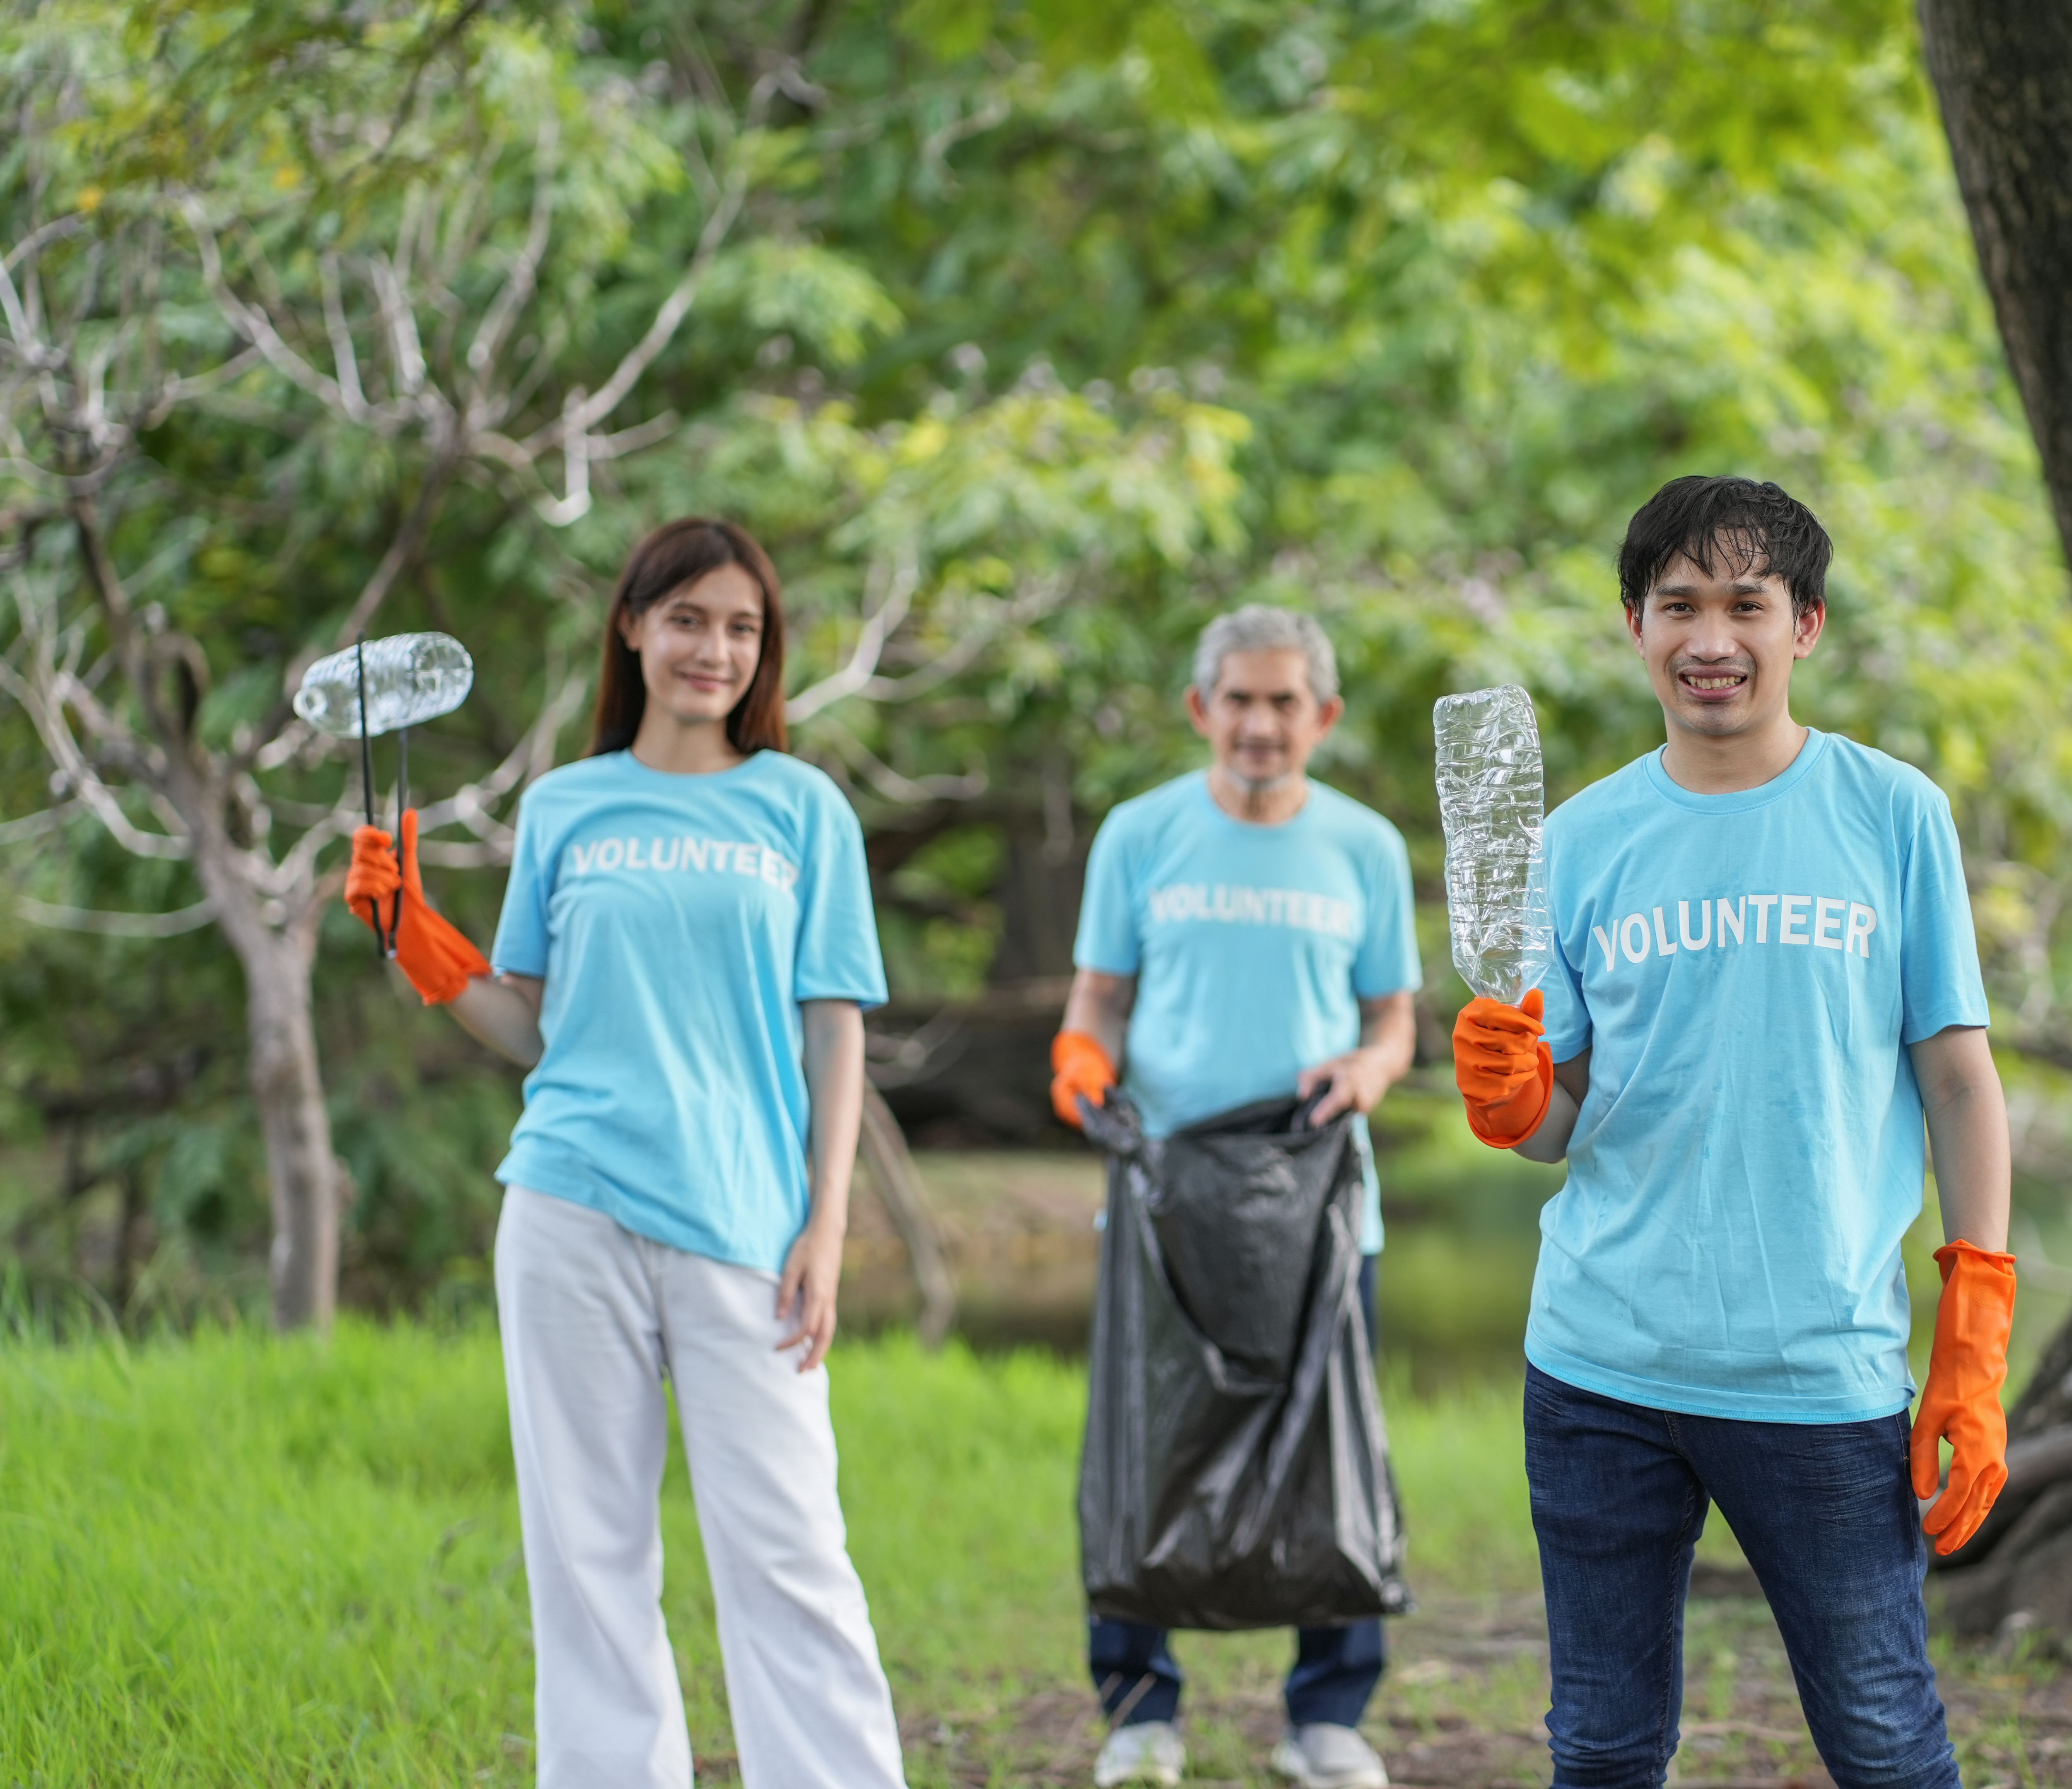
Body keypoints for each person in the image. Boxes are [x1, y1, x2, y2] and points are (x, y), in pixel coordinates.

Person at [1450, 476, 2015, 1789]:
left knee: (1885, 1743)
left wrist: (1974, 1333)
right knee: (1602, 1749)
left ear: (1804, 624)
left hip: (1820, 1369)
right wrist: (1513, 1103)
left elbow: (1959, 1084)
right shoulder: (1574, 842)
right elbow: (1561, 1124)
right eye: (1679, 606)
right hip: (1599, 1364)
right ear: (1634, 626)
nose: (1712, 639)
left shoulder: (1893, 814)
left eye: (1746, 605)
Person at [344, 518, 909, 1789]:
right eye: (689, 619)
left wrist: (827, 1227)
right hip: (570, 1205)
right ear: (634, 626)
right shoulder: (567, 805)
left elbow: (836, 1029)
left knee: (791, 1554)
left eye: (742, 628)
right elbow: (535, 1027)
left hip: (747, 1223)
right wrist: (418, 940)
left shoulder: (802, 809)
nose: (716, 649)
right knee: (588, 1559)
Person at [1050, 605, 1421, 1789]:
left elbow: (1394, 1020)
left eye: (1284, 702)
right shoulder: (1140, 833)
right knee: (1146, 1445)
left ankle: (1327, 1716)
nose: (1261, 724)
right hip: (1167, 1205)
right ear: (1201, 708)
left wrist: (1370, 1072)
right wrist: (1081, 1058)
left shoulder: (1364, 846)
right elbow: (1101, 995)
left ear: (1325, 715)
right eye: (1240, 700)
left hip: (1320, 1212)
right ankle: (1140, 1709)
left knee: (1329, 1445)